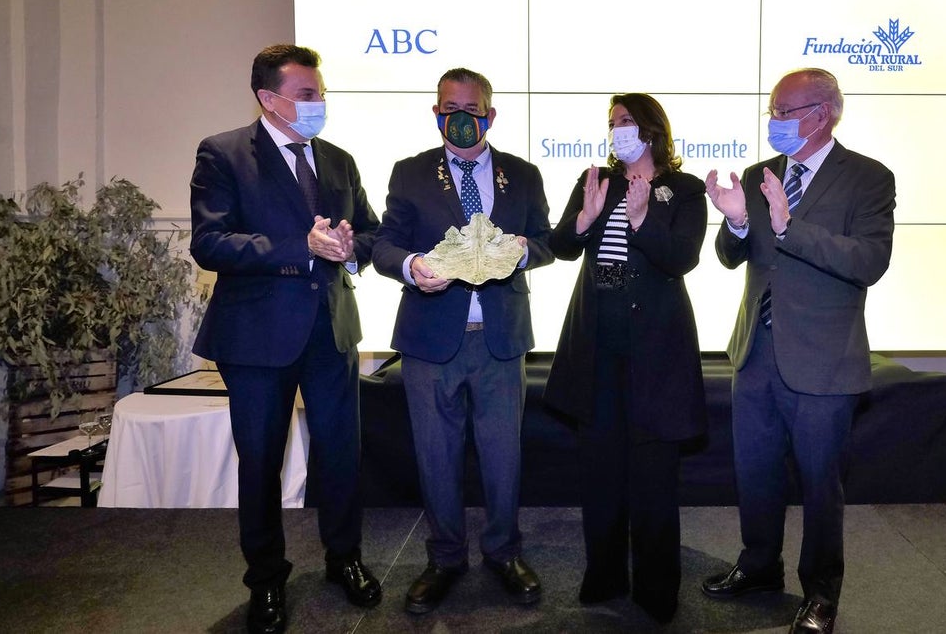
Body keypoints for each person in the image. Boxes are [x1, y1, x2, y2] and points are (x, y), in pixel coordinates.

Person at [189, 44, 382, 634]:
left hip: (332, 330)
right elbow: (210, 243)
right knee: (261, 462)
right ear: (268, 98)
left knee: (341, 457)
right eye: (306, 94)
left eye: (320, 92)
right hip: (256, 338)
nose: (318, 103)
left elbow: (370, 231)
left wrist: (353, 250)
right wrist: (301, 247)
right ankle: (266, 582)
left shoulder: (339, 160)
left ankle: (343, 559)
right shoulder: (223, 154)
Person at [702, 68, 895, 634]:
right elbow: (730, 256)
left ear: (822, 113)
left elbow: (869, 262)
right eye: (773, 109)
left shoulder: (868, 178)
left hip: (824, 361)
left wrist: (790, 228)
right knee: (755, 474)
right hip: (756, 354)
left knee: (819, 485)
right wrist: (736, 222)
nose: (775, 121)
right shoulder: (763, 174)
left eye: (785, 111)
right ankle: (760, 567)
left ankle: (820, 594)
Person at [371, 67, 554, 615]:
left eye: (472, 110)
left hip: (500, 337)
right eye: (450, 108)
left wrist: (521, 251)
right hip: (430, 337)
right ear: (435, 112)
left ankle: (503, 551)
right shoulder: (410, 173)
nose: (461, 119)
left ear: (490, 115)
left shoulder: (522, 175)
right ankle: (445, 557)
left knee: (503, 456)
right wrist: (410, 265)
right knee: (436, 456)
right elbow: (384, 243)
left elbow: (546, 242)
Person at [545, 93, 708, 624]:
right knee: (601, 471)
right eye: (612, 123)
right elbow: (562, 246)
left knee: (654, 476)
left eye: (627, 122)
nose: (618, 131)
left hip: (657, 350)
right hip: (597, 343)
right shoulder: (598, 180)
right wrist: (584, 219)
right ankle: (605, 576)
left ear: (653, 130)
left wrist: (642, 221)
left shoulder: (682, 190)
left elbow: (681, 257)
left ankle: (657, 588)